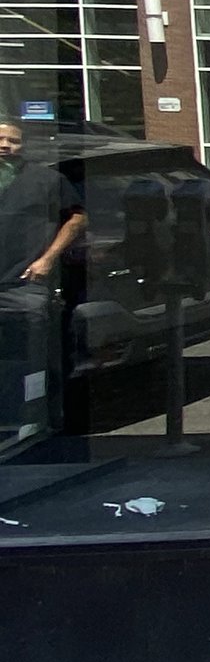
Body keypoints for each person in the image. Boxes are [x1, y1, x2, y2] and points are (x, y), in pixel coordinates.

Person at [0, 118, 84, 441]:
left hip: (25, 284)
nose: (6, 146)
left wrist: (47, 259)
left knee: (33, 356)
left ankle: (35, 419)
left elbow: (77, 218)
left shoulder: (46, 180)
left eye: (14, 141)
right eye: (1, 140)